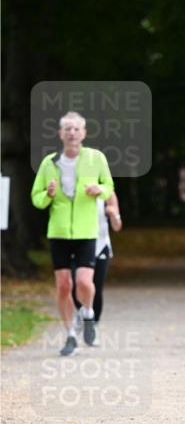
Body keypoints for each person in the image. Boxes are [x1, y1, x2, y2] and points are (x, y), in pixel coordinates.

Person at [30, 111, 114, 356]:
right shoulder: (49, 163)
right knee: (64, 286)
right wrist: (49, 194)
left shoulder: (95, 158)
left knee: (84, 282)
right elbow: (36, 198)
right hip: (58, 233)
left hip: (87, 231)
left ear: (84, 133)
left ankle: (87, 313)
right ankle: (69, 335)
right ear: (60, 134)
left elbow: (109, 188)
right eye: (67, 129)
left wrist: (98, 189)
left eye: (76, 128)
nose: (72, 133)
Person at [72, 193, 122, 330]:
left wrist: (113, 215)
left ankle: (93, 322)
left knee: (96, 286)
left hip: (101, 245)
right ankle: (81, 311)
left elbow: (117, 227)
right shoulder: (75, 189)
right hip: (78, 244)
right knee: (77, 282)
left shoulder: (108, 193)